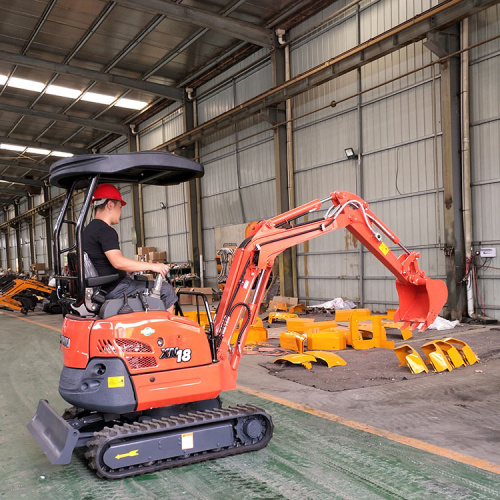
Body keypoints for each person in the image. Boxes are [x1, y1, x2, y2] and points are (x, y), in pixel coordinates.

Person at [82, 183, 177, 313]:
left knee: (142, 281)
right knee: (167, 291)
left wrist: (128, 271)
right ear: (110, 205)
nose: (121, 212)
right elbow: (118, 262)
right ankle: (164, 332)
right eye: (120, 207)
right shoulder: (105, 230)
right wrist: (152, 266)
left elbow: (101, 264)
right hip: (116, 289)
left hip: (103, 288)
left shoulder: (87, 231)